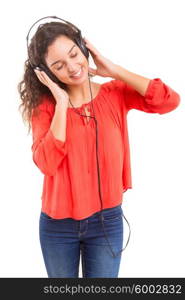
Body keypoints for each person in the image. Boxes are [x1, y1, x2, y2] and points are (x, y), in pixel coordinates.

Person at [17, 20, 180, 278]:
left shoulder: (115, 94)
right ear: (46, 73)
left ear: (84, 48)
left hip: (107, 222)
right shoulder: (47, 108)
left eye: (74, 54)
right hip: (58, 228)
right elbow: (46, 164)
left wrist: (114, 70)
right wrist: (61, 104)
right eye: (58, 66)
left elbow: (168, 101)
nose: (72, 67)